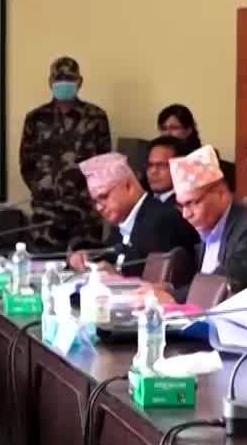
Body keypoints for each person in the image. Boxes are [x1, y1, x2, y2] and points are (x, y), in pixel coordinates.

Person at [20, 56, 112, 250]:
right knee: (44, 262)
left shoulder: (95, 116)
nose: (64, 83)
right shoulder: (36, 118)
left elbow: (105, 162)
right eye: (59, 79)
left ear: (79, 82)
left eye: (69, 79)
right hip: (46, 213)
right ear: (50, 82)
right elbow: (26, 163)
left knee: (86, 263)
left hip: (85, 213)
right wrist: (43, 189)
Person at [171, 145, 247, 299]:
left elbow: (224, 284)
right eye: (181, 206)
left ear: (221, 193)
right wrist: (166, 289)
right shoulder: (207, 228)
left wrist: (172, 296)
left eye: (191, 203)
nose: (185, 214)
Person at [69, 152, 197, 281]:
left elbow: (162, 285)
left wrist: (118, 279)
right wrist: (87, 260)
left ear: (128, 187)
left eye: (104, 197)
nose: (99, 207)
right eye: (95, 201)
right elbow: (111, 260)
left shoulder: (162, 221)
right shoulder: (121, 221)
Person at [155, 105, 235, 191]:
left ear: (189, 130)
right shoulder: (154, 154)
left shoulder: (201, 158)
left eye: (174, 128)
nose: (167, 134)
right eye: (163, 128)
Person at [144, 135, 182, 203]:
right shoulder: (141, 200)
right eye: (150, 165)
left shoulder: (185, 204)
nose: (153, 171)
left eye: (161, 165)